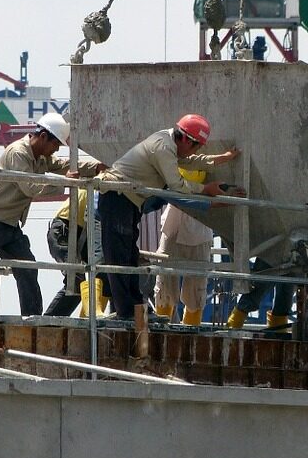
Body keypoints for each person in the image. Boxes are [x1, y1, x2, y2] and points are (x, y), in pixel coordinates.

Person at [0, 113, 106, 316]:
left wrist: (95, 168)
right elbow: (31, 188)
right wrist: (65, 184)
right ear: (43, 137)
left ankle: (32, 318)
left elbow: (62, 166)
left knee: (27, 269)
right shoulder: (19, 153)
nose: (56, 149)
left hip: (9, 224)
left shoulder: (40, 156)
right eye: (55, 144)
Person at [98, 114, 243, 321]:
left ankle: (136, 310)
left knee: (129, 256)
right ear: (184, 138)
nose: (196, 151)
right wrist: (206, 190)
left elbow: (191, 161)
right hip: (117, 197)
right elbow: (177, 186)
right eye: (196, 146)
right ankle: (127, 312)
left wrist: (222, 158)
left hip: (128, 200)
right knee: (120, 257)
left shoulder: (170, 144)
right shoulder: (163, 147)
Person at [154, 169, 215, 327]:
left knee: (196, 291)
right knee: (164, 286)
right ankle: (161, 333)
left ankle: (190, 334)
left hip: (202, 224)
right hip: (173, 224)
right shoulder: (176, 152)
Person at [43, 188, 111, 317]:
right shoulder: (96, 184)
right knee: (76, 279)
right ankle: (50, 321)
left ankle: (87, 316)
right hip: (64, 229)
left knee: (100, 274)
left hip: (82, 233)